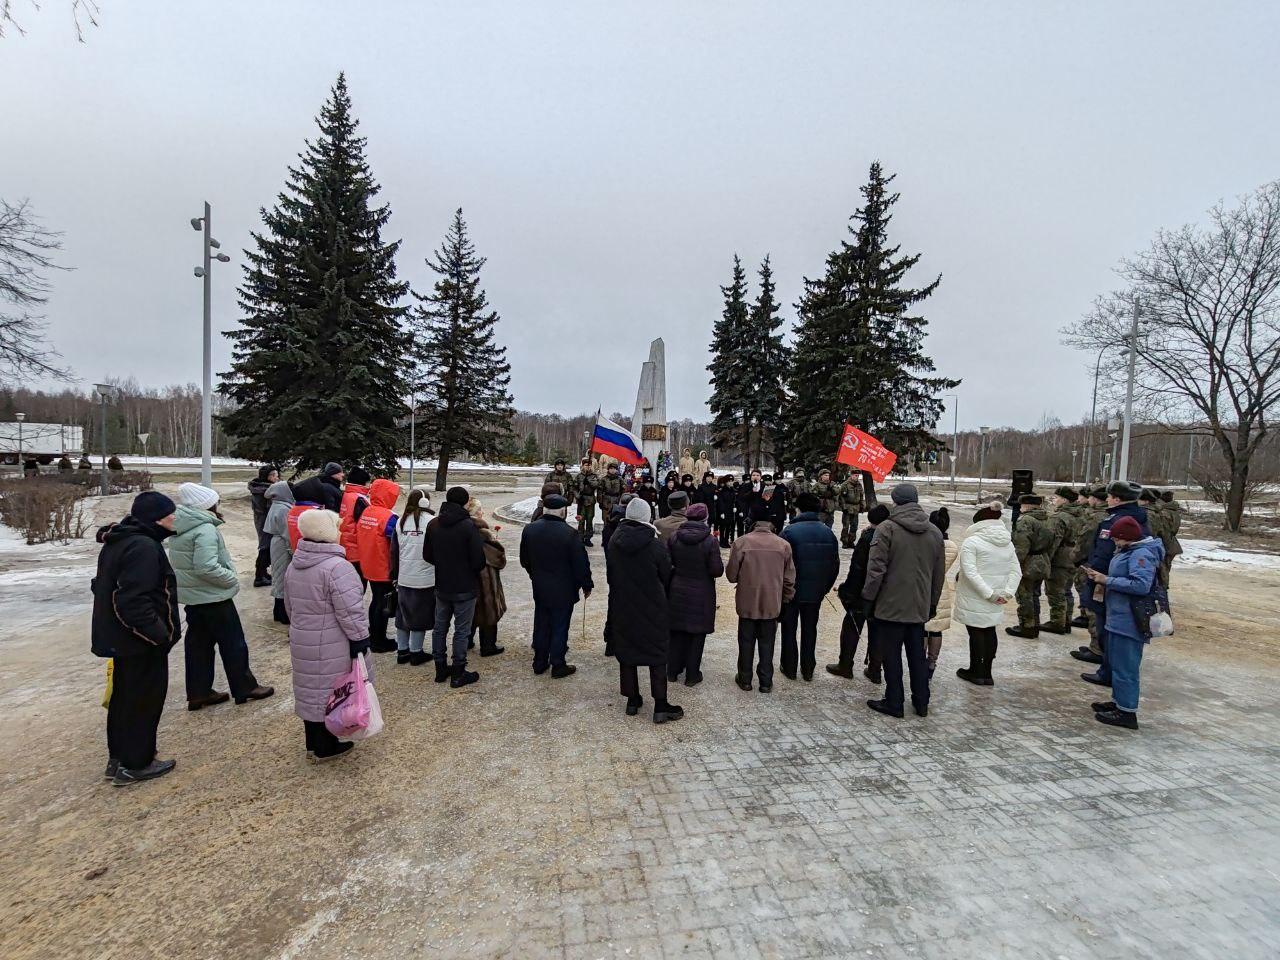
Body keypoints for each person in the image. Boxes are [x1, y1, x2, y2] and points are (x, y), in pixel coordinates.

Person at [91, 491, 181, 786]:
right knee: (143, 700)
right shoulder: (143, 546)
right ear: (156, 519)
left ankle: (119, 757)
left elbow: (104, 586)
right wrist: (158, 635)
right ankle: (136, 763)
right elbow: (132, 600)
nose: (174, 518)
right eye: (170, 514)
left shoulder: (121, 540)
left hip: (121, 638)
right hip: (138, 641)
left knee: (124, 698)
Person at [168, 483, 274, 711]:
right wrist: (230, 578)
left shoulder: (181, 527)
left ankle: (198, 691)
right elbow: (206, 567)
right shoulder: (204, 529)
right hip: (214, 598)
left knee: (198, 645)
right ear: (208, 504)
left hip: (195, 599)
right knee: (233, 643)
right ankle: (244, 686)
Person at [281, 508, 369, 761]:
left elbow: (289, 605)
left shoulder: (295, 564)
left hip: (303, 637)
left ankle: (313, 742)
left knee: (311, 690)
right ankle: (326, 746)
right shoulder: (337, 567)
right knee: (332, 691)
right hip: (332, 640)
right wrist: (360, 638)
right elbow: (350, 611)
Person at [861, 483, 944, 719]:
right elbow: (938, 575)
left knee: (892, 655)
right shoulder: (934, 532)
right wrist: (932, 604)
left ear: (896, 502)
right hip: (919, 605)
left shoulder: (887, 528)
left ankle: (894, 701)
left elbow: (876, 569)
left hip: (890, 605)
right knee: (917, 655)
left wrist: (868, 598)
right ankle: (921, 702)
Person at [1083, 515, 1164, 729]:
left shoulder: (1141, 554)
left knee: (1126, 667)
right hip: (1118, 616)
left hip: (1130, 620)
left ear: (1127, 537)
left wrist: (1107, 580)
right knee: (1118, 665)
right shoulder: (1129, 550)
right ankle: (1119, 702)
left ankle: (1127, 712)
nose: (1114, 543)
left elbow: (1141, 585)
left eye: (1117, 539)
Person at [608, 497, 683, 722]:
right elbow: (666, 575)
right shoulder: (654, 544)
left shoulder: (614, 541)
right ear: (647, 516)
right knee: (657, 653)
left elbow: (612, 574)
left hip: (622, 604)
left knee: (627, 651)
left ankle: (632, 699)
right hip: (652, 606)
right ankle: (660, 706)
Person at [1080, 481, 1151, 691]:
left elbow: (1104, 553)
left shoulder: (1119, 521)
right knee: (1107, 628)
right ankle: (1108, 669)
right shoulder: (1138, 517)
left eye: (1110, 496)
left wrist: (1095, 576)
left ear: (1117, 499)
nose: (1107, 499)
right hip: (1112, 582)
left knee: (1106, 627)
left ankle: (1108, 672)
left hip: (1107, 583)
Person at [726, 503, 796, 692]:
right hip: (772, 601)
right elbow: (789, 579)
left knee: (746, 641)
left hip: (747, 601)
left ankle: (745, 678)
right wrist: (787, 597)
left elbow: (731, 575)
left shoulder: (741, 542)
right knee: (767, 643)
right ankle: (766, 681)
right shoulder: (783, 545)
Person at [519, 492, 591, 677]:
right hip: (564, 588)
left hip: (540, 586)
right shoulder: (569, 533)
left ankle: (539, 661)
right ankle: (558, 664)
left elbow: (524, 559)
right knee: (560, 625)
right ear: (562, 512)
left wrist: (534, 575)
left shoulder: (530, 530)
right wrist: (586, 583)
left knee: (541, 622)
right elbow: (580, 562)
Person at [424, 486, 487, 687]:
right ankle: (459, 671)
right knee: (461, 630)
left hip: (442, 583)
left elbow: (427, 555)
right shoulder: (468, 526)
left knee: (440, 627)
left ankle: (440, 668)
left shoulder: (434, 524)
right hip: (465, 585)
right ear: (465, 502)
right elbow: (478, 560)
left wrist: (444, 564)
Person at [953, 505, 1021, 685]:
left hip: (976, 597)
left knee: (976, 633)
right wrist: (1006, 593)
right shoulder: (1008, 542)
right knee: (989, 631)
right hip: (997, 596)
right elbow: (1016, 571)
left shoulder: (972, 542)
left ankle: (976, 671)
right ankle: (987, 672)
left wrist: (988, 594)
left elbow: (969, 572)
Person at [779, 492, 840, 681]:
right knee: (810, 629)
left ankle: (789, 667)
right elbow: (834, 565)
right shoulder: (827, 532)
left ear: (798, 509)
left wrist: (783, 589)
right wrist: (824, 588)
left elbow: (781, 565)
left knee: (789, 628)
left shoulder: (789, 532)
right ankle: (808, 668)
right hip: (815, 592)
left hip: (792, 591)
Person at [827, 503, 889, 680]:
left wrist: (848, 590)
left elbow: (858, 567)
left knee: (851, 627)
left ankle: (845, 664)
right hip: (884, 593)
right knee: (878, 630)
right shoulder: (895, 536)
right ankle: (875, 669)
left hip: (862, 592)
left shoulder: (869, 537)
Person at [666, 501, 723, 685]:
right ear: (705, 518)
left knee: (677, 632)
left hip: (678, 588)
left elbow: (668, 564)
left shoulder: (674, 537)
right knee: (697, 634)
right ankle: (692, 675)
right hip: (701, 591)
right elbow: (716, 570)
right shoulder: (710, 541)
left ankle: (672, 671)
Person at [355, 478, 400, 653]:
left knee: (376, 600)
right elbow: (396, 543)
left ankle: (374, 634)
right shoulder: (388, 517)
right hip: (383, 566)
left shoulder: (366, 512)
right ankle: (378, 640)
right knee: (384, 602)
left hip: (368, 563)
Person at [392, 487, 435, 666]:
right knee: (420, 615)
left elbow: (394, 552)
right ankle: (416, 652)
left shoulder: (400, 522)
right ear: (426, 502)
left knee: (402, 614)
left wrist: (394, 575)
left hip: (404, 577)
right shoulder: (433, 522)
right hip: (425, 578)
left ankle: (402, 650)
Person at [1006, 494, 1054, 639]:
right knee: (1035, 594)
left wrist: (1014, 565)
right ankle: (1035, 623)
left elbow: (1021, 546)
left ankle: (1027, 626)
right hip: (1043, 560)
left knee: (1024, 595)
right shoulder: (1047, 518)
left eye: (1021, 505)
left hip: (1028, 563)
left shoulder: (1025, 520)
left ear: (1026, 505)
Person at [1070, 487, 1109, 662]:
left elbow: (1084, 540)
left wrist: (1076, 559)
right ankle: (1098, 646)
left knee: (1094, 606)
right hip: (1099, 563)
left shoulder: (1095, 518)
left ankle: (1097, 649)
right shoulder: (1108, 515)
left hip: (1090, 563)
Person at [467, 497, 507, 658]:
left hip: (468, 578)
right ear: (476, 514)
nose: (483, 512)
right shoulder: (482, 533)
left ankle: (467, 641)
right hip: (485, 577)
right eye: (480, 510)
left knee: (469, 611)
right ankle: (488, 645)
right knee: (488, 610)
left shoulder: (462, 529)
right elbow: (499, 558)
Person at [923, 507, 958, 678]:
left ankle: (920, 660)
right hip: (942, 589)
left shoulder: (927, 542)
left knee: (923, 628)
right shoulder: (951, 546)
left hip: (924, 587)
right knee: (936, 630)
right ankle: (932, 662)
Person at [1042, 487, 1081, 635]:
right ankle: (1067, 620)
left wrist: (1047, 560)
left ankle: (1057, 622)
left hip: (1060, 557)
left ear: (1064, 500)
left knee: (1055, 591)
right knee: (1067, 590)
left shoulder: (1059, 517)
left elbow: (1053, 541)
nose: (1054, 500)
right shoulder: (1080, 514)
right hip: (1074, 556)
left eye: (1056, 497)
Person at [263, 480, 296, 624]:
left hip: (277, 543)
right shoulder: (283, 509)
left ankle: (278, 612)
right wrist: (292, 550)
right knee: (282, 578)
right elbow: (287, 532)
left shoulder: (278, 505)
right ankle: (282, 614)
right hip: (282, 544)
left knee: (279, 577)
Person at [338, 466, 372, 585]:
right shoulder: (359, 500)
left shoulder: (346, 495)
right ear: (362, 483)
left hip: (343, 543)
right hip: (355, 548)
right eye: (368, 483)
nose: (369, 486)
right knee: (358, 585)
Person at [247, 465, 279, 588]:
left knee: (265, 546)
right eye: (275, 475)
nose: (277, 478)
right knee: (265, 547)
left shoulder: (258, 488)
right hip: (266, 522)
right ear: (268, 476)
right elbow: (270, 508)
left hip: (261, 520)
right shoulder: (265, 491)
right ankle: (259, 576)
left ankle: (263, 573)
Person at [574, 458, 600, 546]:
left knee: (589, 520)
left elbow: (597, 485)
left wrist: (588, 481)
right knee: (581, 520)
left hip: (590, 500)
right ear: (583, 466)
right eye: (586, 465)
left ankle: (588, 538)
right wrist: (577, 495)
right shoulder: (579, 476)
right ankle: (580, 537)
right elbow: (574, 488)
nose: (587, 467)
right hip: (581, 500)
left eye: (589, 465)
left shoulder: (594, 476)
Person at [837, 472, 866, 548]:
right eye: (855, 475)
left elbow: (861, 496)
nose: (857, 477)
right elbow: (841, 497)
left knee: (854, 526)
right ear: (851, 475)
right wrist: (844, 507)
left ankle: (851, 541)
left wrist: (862, 506)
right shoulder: (845, 484)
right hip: (847, 507)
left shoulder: (859, 485)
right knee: (846, 526)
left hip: (856, 508)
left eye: (858, 475)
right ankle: (845, 542)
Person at [716, 474, 738, 548]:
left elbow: (734, 500)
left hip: (731, 511)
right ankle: (722, 542)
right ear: (725, 482)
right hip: (724, 512)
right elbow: (720, 502)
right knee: (722, 528)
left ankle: (726, 541)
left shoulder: (733, 490)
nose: (731, 483)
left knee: (729, 527)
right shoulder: (722, 491)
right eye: (729, 481)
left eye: (732, 481)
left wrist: (735, 507)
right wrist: (722, 512)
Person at [735, 471, 759, 539]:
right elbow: (740, 499)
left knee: (749, 527)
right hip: (743, 509)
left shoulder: (755, 486)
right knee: (741, 527)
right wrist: (740, 510)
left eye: (748, 480)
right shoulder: (742, 487)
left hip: (751, 509)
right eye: (746, 480)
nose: (747, 481)